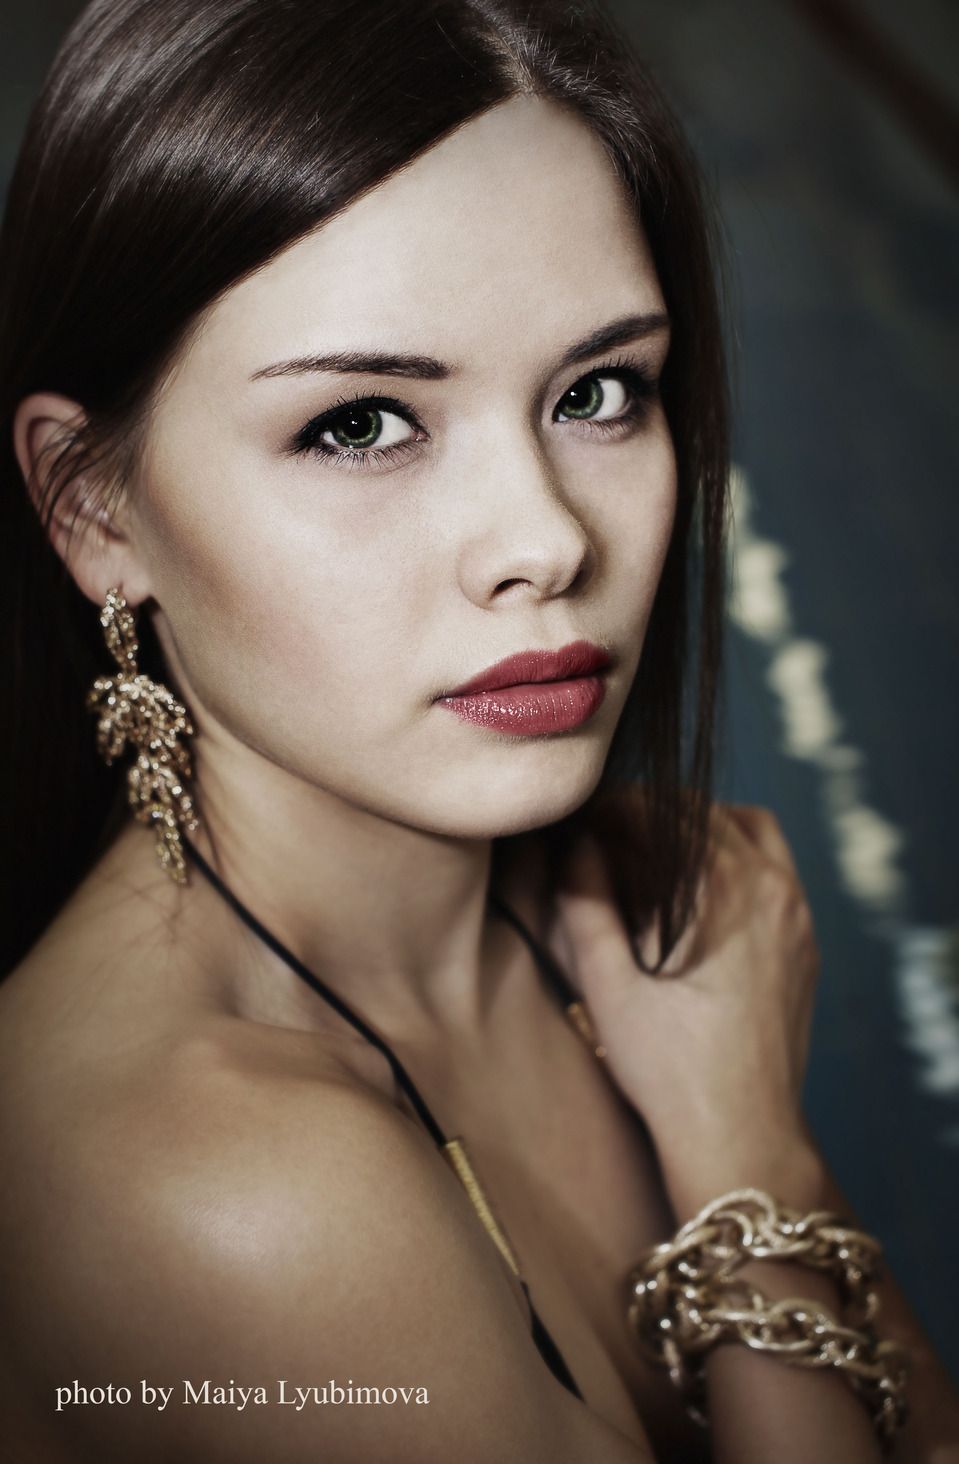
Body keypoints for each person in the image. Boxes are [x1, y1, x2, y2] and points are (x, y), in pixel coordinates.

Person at [0, 1, 956, 1460]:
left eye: (598, 392)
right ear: (93, 506)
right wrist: (749, 1149)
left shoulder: (600, 919)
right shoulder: (219, 1183)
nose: (545, 540)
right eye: (361, 424)